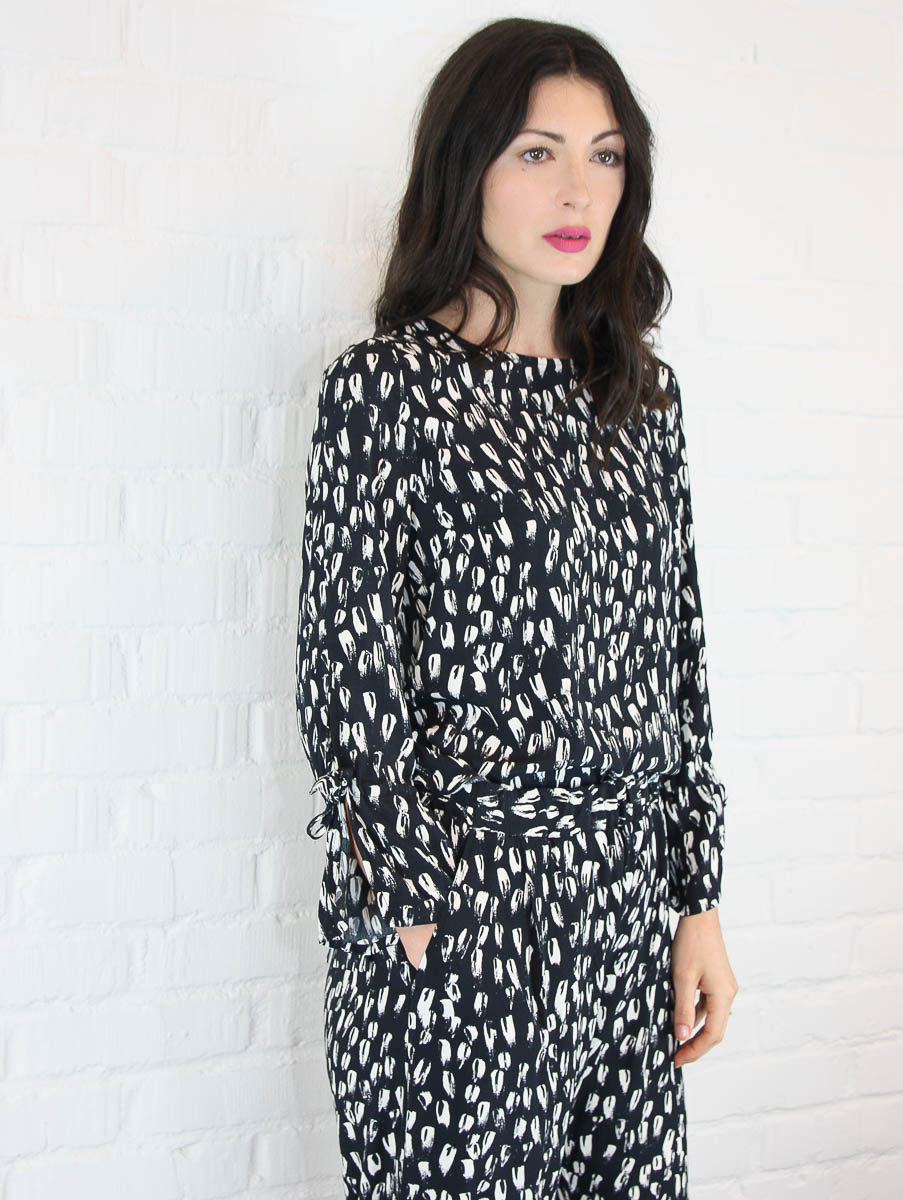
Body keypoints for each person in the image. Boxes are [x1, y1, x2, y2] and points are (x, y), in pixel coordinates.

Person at [295, 16, 738, 1199]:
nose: (578, 190)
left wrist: (695, 901)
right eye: (538, 151)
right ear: (468, 164)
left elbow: (677, 657)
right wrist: (419, 913)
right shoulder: (389, 390)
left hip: (623, 904)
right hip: (465, 903)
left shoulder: (639, 398)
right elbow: (347, 665)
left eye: (606, 155)